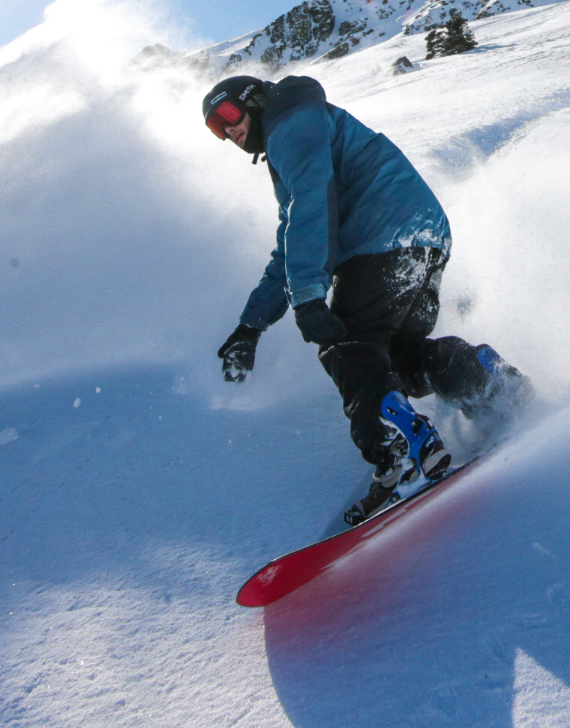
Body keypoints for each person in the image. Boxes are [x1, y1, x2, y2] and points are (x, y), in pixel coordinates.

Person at [203, 73, 531, 523]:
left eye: (227, 115)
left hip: (382, 238)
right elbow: (291, 239)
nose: (228, 131)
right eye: (215, 129)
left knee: (349, 345)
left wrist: (308, 298)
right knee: (397, 357)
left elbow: (311, 210)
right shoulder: (301, 133)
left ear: (255, 100)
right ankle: (485, 380)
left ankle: (399, 455)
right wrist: (250, 326)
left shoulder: (290, 125)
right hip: (422, 237)